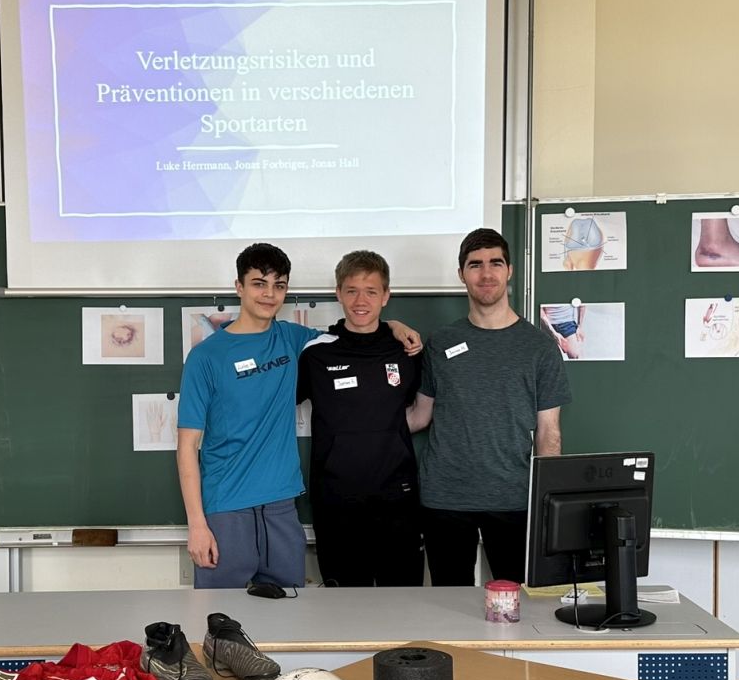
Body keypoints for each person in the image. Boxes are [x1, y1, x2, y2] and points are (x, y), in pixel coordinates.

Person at [177, 243, 418, 589]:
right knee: (220, 614)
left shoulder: (294, 340)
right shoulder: (206, 357)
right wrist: (197, 525)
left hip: (281, 504)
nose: (269, 294)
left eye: (278, 285)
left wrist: (393, 325)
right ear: (239, 287)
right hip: (226, 505)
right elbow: (187, 446)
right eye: (259, 284)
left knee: (288, 610)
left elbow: (357, 331)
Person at [408, 228, 571, 585]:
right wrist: (361, 424)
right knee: (449, 605)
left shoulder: (540, 347)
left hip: (514, 498)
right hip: (445, 497)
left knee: (518, 604)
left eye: (495, 263)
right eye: (475, 265)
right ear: (461, 274)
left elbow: (549, 433)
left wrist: (547, 503)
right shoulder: (441, 342)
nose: (486, 273)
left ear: (509, 270)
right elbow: (420, 415)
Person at [296, 250, 425, 587]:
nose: (360, 301)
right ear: (338, 293)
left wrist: (394, 327)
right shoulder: (316, 354)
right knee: (345, 608)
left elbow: (423, 412)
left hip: (398, 500)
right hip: (336, 502)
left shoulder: (407, 351)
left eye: (371, 291)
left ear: (386, 295)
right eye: (351, 290)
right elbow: (275, 409)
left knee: (403, 603)